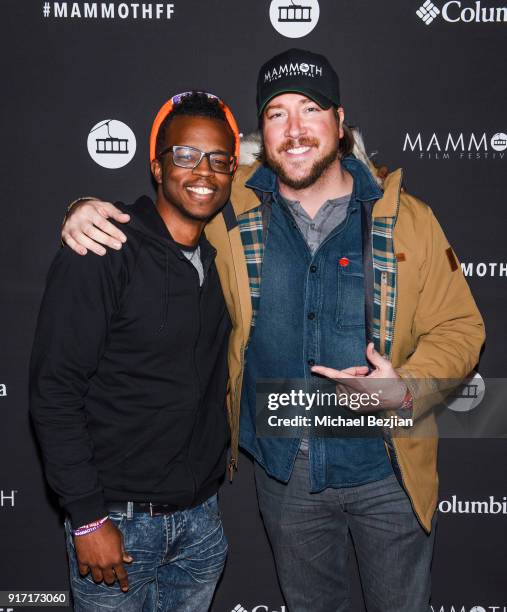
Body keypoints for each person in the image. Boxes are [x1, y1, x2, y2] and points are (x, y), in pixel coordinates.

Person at [59, 49, 485, 612]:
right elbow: (169, 197)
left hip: (387, 468)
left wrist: (407, 386)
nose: (295, 128)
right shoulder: (230, 208)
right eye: (277, 113)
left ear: (339, 121)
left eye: (310, 108)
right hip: (287, 477)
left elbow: (460, 326)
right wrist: (84, 208)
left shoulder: (405, 216)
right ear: (263, 133)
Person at [29, 91, 241, 612]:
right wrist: (88, 519)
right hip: (117, 526)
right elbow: (54, 392)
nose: (203, 172)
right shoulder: (104, 248)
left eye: (219, 160)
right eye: (186, 155)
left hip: (200, 526)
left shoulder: (220, 261)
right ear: (156, 164)